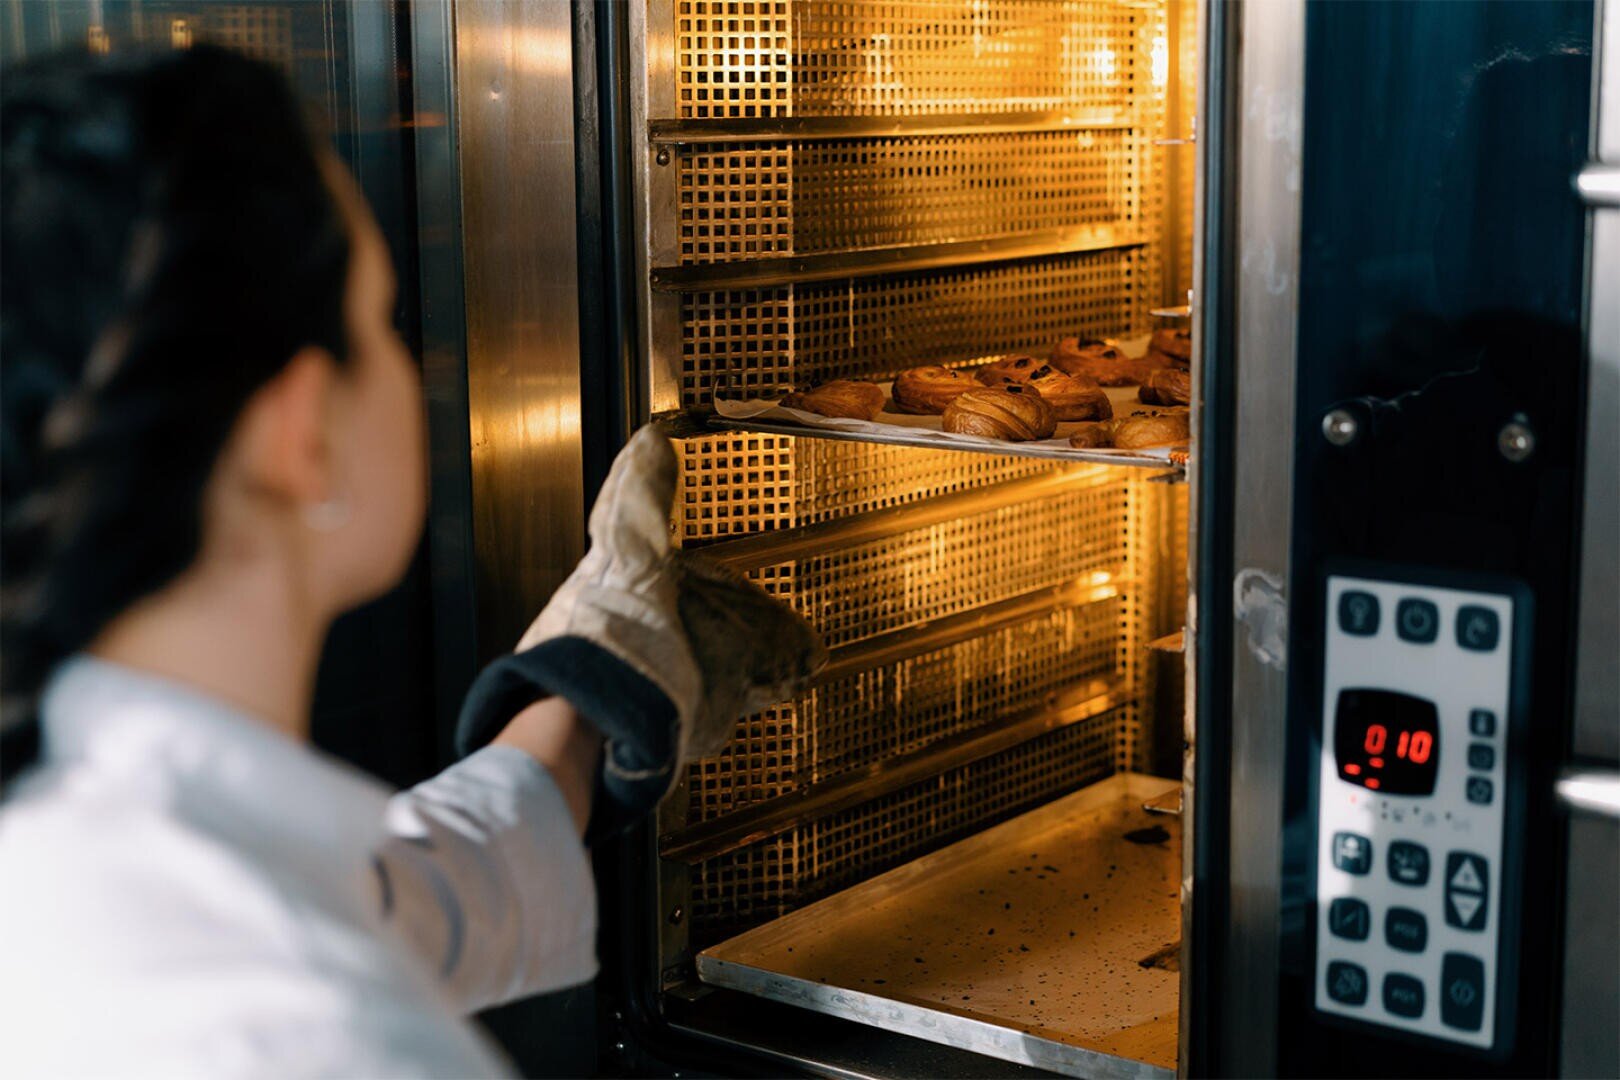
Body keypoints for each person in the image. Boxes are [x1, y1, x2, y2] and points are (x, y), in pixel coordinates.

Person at [0, 46, 824, 1077]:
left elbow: (390, 896)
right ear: (298, 434)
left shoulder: (81, 847)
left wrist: (598, 674)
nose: (410, 366)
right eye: (382, 322)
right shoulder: (317, 1041)